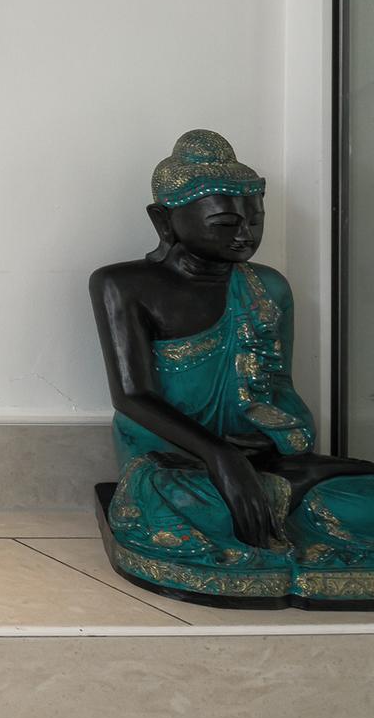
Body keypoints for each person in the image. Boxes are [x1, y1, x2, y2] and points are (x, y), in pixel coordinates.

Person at [89, 129, 374, 606]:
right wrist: (220, 456)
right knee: (173, 498)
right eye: (225, 223)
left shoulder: (269, 288)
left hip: (264, 462)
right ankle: (288, 522)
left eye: (256, 221)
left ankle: (287, 515)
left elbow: (279, 391)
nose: (245, 235)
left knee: (358, 494)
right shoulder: (123, 284)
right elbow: (132, 396)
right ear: (164, 220)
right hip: (173, 461)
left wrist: (274, 440)